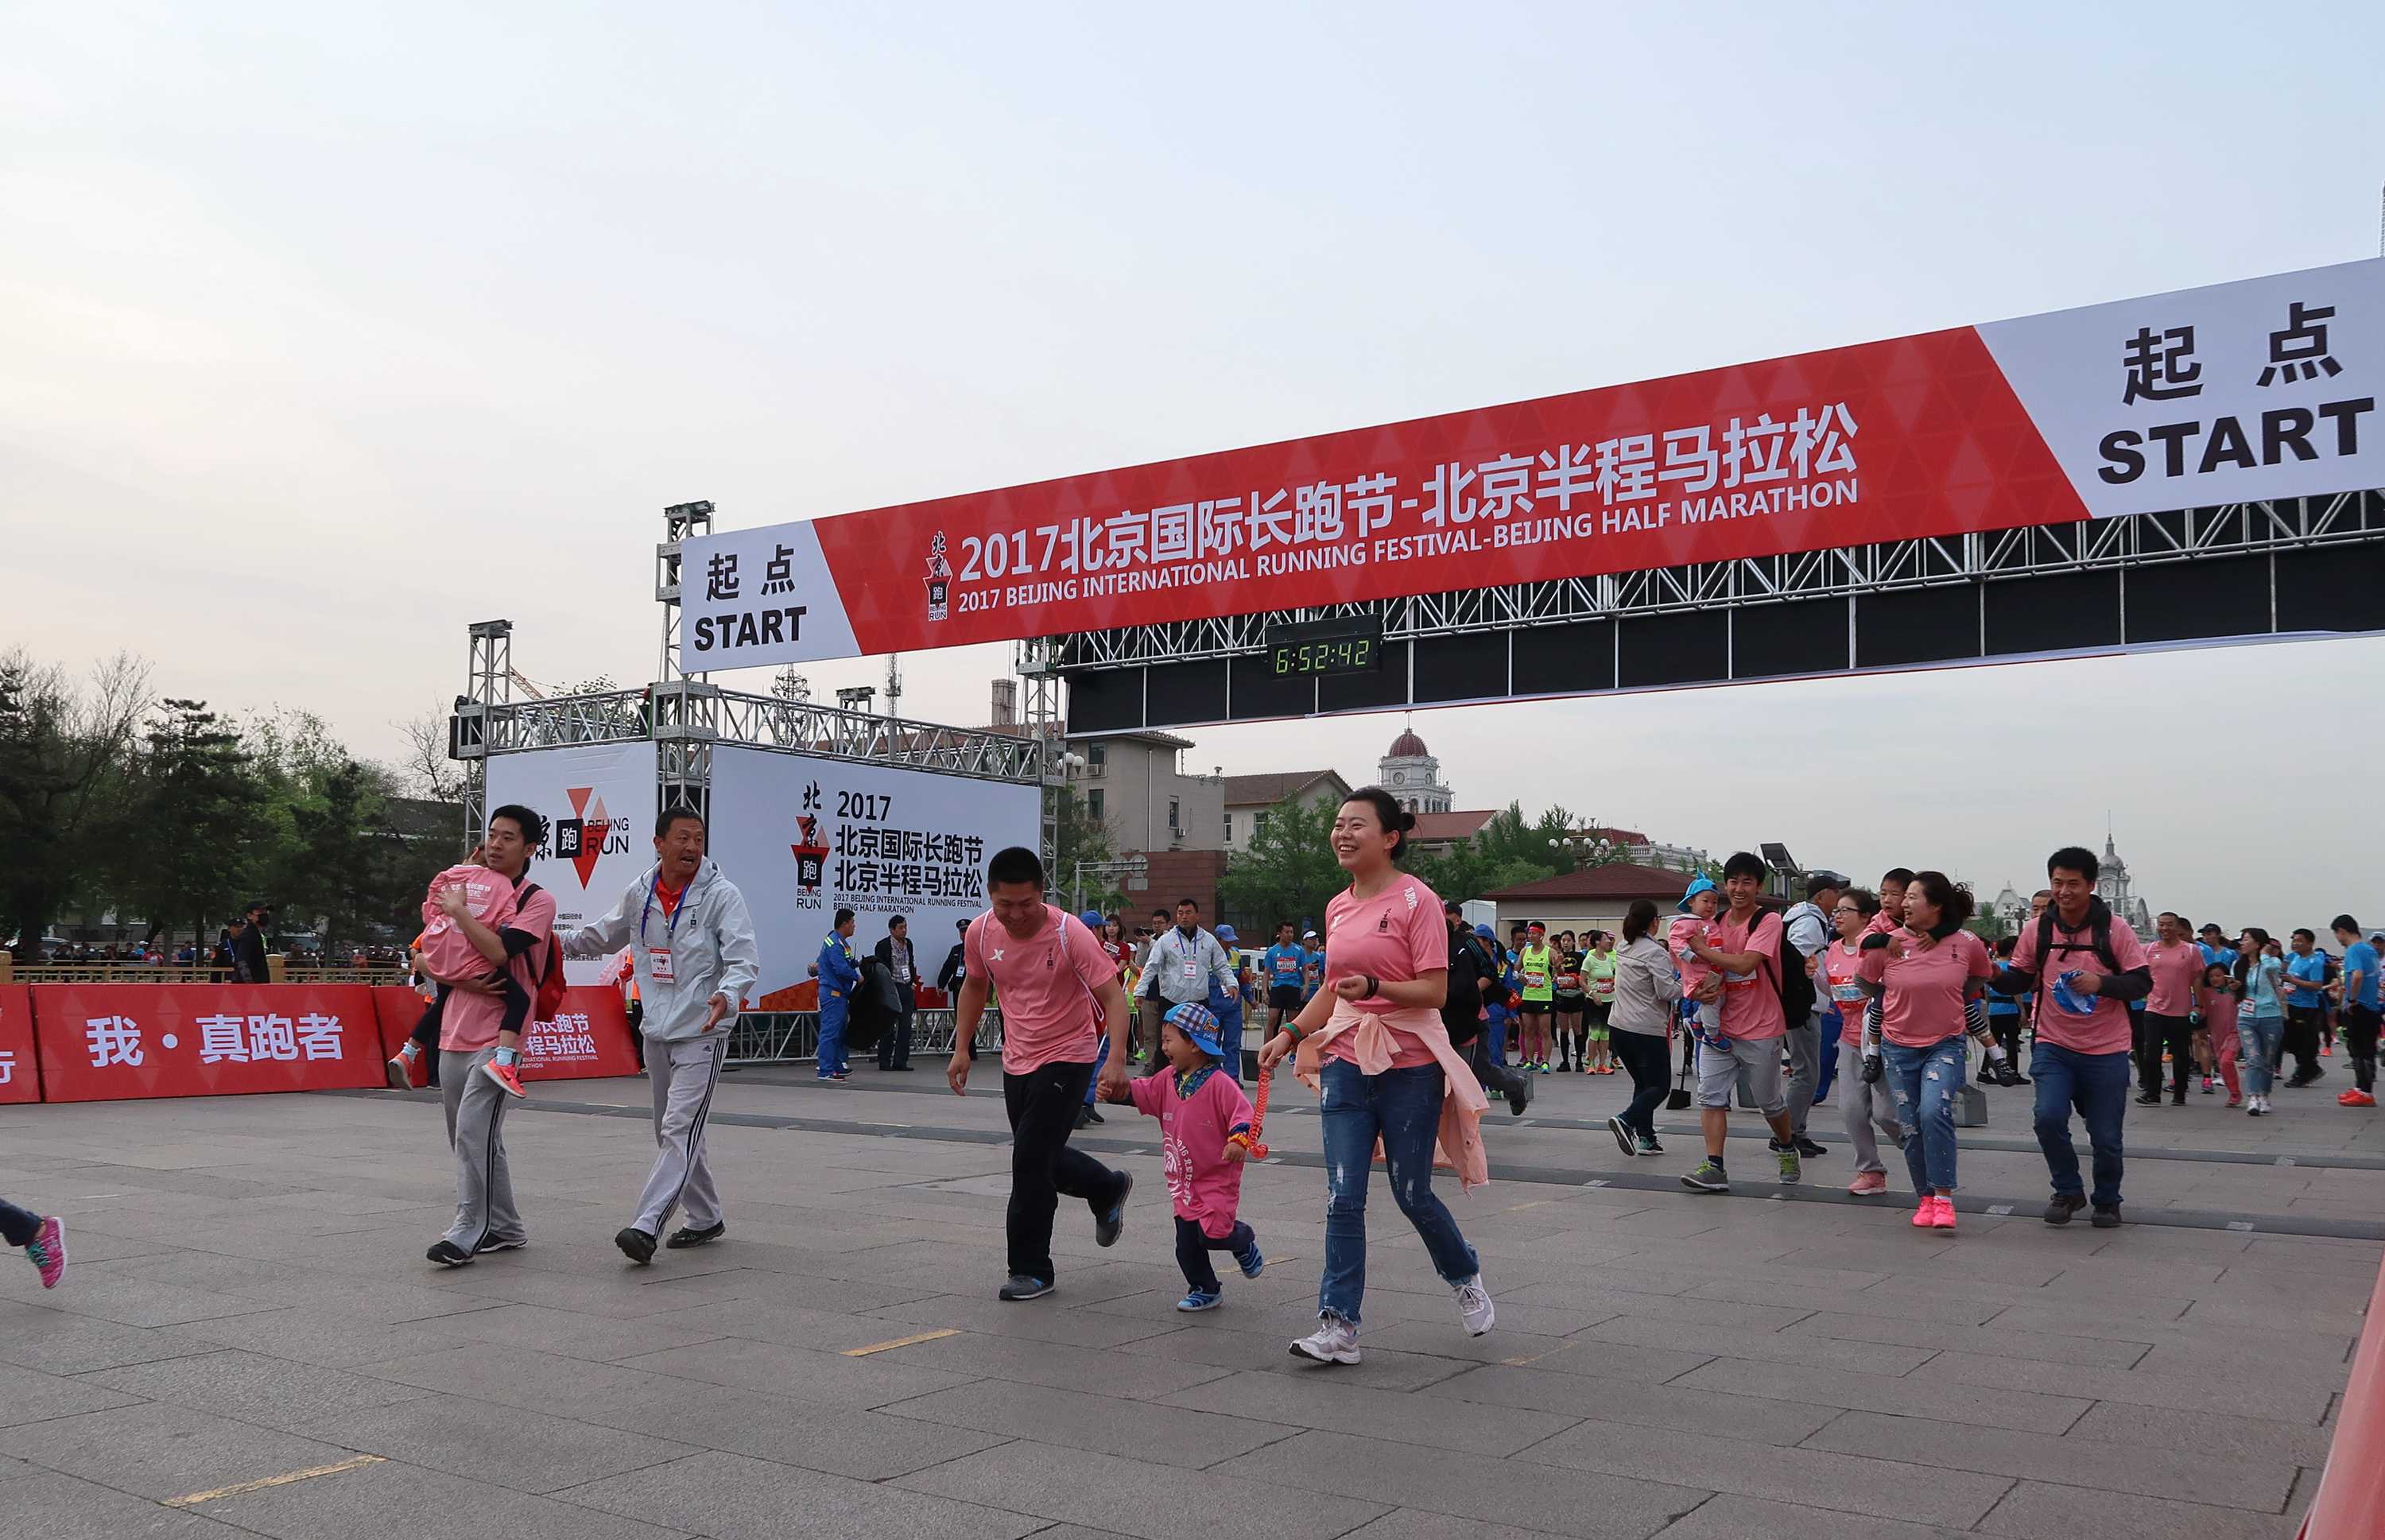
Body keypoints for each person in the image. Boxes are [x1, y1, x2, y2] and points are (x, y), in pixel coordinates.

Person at [1259, 788, 1492, 1365]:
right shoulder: (1337, 907)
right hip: (1344, 1059)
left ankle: (1463, 1272)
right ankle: (1339, 1325)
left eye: (1356, 824)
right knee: (1343, 1195)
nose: (1342, 833)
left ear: (1389, 837)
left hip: (1408, 1065)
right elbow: (1330, 988)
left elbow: (1435, 990)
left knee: (1412, 1193)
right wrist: (1290, 1034)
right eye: (1339, 824)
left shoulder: (1418, 900)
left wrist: (1376, 987)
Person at [558, 805, 761, 1264]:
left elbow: (744, 959)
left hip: (703, 1029)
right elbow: (600, 936)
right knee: (671, 1131)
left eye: (699, 839)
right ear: (659, 843)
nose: (692, 847)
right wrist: (549, 942)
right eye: (683, 838)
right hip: (657, 1029)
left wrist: (728, 994)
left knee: (679, 1128)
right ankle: (706, 1216)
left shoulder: (722, 895)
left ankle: (646, 1225)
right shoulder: (640, 892)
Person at [948, 847, 1134, 1301]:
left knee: (1029, 1160)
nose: (1015, 915)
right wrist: (961, 1049)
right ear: (990, 895)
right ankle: (1107, 1187)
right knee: (1040, 1155)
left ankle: (1031, 1269)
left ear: (1042, 894)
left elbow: (1114, 997)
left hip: (1070, 1055)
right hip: (1018, 1058)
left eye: (1025, 904)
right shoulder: (981, 932)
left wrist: (1116, 1057)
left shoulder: (1070, 933)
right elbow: (975, 986)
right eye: (1004, 905)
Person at [420, 806, 553, 1267]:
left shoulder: (536, 900)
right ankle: (506, 1227)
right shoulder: (463, 884)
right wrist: (461, 978)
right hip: (454, 1028)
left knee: (474, 1134)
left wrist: (459, 910)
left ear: (530, 848)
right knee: (469, 1137)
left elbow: (498, 951)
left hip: (501, 1037)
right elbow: (423, 956)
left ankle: (467, 1229)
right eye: (492, 835)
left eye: (509, 838)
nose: (496, 844)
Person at [1992, 845, 2150, 1228]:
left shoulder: (2115, 929)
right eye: (2057, 882)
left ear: (2092, 885)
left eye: (2073, 884)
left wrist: (2101, 983)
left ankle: (2107, 1200)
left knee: (2106, 1135)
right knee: (2047, 1119)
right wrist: (1991, 974)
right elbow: (2021, 977)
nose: (2064, 891)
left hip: (2106, 1049)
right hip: (2053, 1043)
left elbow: (2141, 982)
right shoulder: (2038, 929)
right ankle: (2067, 1190)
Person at [1103, 1002, 1264, 1312]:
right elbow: (1144, 1092)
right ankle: (1205, 1288)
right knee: (1186, 1245)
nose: (1164, 1047)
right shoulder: (1167, 1079)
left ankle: (1242, 1240)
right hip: (1184, 1181)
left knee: (1215, 1234)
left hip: (1216, 1178)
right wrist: (1117, 1093)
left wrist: (1238, 1140)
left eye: (1169, 1040)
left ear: (1194, 1044)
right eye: (1163, 1040)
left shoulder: (1220, 1084)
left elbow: (1244, 1115)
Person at [1859, 871, 1990, 1231]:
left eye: (1912, 897)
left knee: (1934, 1112)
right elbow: (1865, 981)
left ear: (1936, 906)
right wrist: (1895, 999)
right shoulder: (1888, 944)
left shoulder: (1966, 943)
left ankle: (1944, 1197)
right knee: (1911, 1125)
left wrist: (1948, 996)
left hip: (1945, 1043)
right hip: (1898, 1047)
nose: (1904, 903)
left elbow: (1980, 976)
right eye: (1904, 897)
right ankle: (1926, 1197)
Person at [1678, 856, 1807, 1192]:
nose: (1739, 888)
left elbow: (1746, 963)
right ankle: (1714, 1167)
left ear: (1759, 886)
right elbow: (1697, 966)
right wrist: (1699, 991)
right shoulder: (1714, 921)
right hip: (1719, 1027)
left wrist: (1701, 950)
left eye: (1747, 882)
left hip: (1762, 1027)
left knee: (1769, 1102)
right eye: (1733, 881)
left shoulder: (1768, 921)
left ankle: (1786, 1145)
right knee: (1710, 1097)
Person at [1825, 889, 1902, 1195]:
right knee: (1851, 1109)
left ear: (1866, 917)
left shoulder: (1876, 948)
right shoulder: (1832, 950)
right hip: (1850, 1038)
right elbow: (1831, 990)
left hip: (1882, 1039)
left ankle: (1921, 1149)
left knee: (1886, 1114)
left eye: (1846, 910)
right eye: (1836, 911)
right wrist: (1813, 975)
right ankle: (1870, 1171)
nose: (1838, 916)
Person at [1606, 900, 1681, 1157]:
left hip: (1619, 1027)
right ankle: (1626, 1120)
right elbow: (1666, 991)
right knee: (1660, 1086)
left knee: (1643, 1083)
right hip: (1646, 1029)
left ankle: (1647, 1138)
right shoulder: (1655, 952)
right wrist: (1690, 986)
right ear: (1654, 922)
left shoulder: (1623, 946)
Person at [1442, 905, 1530, 1116]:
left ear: (1457, 920)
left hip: (1470, 1018)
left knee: (1477, 1070)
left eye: (1446, 917)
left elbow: (1490, 973)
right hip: (1440, 1018)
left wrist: (1468, 992)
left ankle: (1514, 1085)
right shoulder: (1426, 941)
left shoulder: (1467, 943)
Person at [1778, 874, 1837, 1158]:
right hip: (1804, 1007)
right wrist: (1805, 992)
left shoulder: (1802, 917)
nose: (1839, 900)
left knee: (1807, 1072)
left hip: (1805, 1004)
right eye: (1836, 893)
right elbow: (1795, 957)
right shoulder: (1810, 922)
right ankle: (1787, 1135)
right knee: (1806, 1073)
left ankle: (1795, 1131)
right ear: (1822, 896)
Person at [1142, 898, 1239, 1066]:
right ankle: (1164, 1081)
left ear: (1197, 915)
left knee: (1199, 1047)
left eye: (1188, 913)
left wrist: (1231, 983)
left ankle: (1199, 1080)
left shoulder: (1208, 940)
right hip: (1171, 1002)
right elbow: (1151, 967)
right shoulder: (1166, 941)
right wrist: (1140, 991)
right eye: (1180, 913)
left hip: (1199, 1003)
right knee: (1166, 1047)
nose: (1184, 917)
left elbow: (1222, 966)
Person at [2139, 912, 2205, 1107]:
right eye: (2161, 924)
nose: (2165, 928)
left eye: (2169, 925)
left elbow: (2197, 979)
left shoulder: (2191, 951)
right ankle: (2152, 1093)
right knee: (2151, 1052)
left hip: (2181, 1010)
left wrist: (2199, 1004)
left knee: (2180, 1054)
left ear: (2178, 928)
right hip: (2154, 1008)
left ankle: (2180, 1093)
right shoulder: (2149, 949)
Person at [2236, 929, 2287, 1115]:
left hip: (2271, 1016)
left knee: (2267, 1060)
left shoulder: (2273, 962)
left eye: (2246, 940)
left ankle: (2264, 1095)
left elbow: (2270, 970)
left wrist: (2265, 954)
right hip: (2246, 1017)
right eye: (2242, 940)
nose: (2242, 943)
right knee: (2253, 1058)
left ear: (2258, 943)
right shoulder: (2238, 965)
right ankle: (2253, 1097)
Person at [2331, 916, 2379, 1106]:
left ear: (2342, 931)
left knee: (2359, 1050)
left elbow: (2357, 975)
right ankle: (2361, 1088)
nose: (2337, 939)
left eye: (2336, 934)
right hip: (2371, 1006)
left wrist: (2352, 1000)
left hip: (2359, 1007)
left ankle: (2365, 1092)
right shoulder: (2369, 949)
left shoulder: (2353, 950)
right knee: (2365, 1049)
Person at [812, 909, 861, 1082]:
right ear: (844, 923)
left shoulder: (841, 943)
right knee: (830, 1032)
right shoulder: (834, 944)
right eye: (852, 922)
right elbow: (840, 968)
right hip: (833, 993)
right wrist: (858, 977)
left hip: (839, 994)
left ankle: (836, 1065)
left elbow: (846, 962)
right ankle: (825, 1070)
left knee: (839, 1032)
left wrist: (858, 963)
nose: (854, 926)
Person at [2281, 929, 2330, 1088]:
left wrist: (2293, 981)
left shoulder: (2315, 962)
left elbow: (2317, 985)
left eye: (2299, 941)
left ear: (2310, 943)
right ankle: (2309, 1068)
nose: (2295, 944)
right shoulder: (2294, 957)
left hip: (2306, 1007)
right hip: (2291, 1003)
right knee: (2290, 1040)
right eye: (2294, 940)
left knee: (2304, 1041)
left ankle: (2305, 1071)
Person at [873, 915, 919, 1073]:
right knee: (888, 1026)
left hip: (906, 987)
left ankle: (901, 1061)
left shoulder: (908, 944)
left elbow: (910, 963)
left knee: (905, 1026)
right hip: (891, 989)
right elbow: (880, 969)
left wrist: (912, 982)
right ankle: (884, 1060)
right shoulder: (883, 945)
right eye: (900, 927)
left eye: (905, 927)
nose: (904, 930)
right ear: (892, 930)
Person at [2201, 960, 2243, 1108]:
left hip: (2235, 1033)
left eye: (2218, 975)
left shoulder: (2235, 992)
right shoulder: (2206, 993)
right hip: (2216, 1036)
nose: (2214, 979)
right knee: (2223, 1065)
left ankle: (2235, 1094)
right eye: (2211, 976)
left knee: (2227, 1061)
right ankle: (2234, 1093)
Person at [1514, 922, 1554, 1073]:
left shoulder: (1550, 952)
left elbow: (1560, 972)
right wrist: (1520, 977)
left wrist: (1558, 966)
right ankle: (1529, 1060)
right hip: (1528, 996)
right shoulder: (1525, 951)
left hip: (1544, 997)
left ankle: (1545, 1061)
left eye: (1534, 934)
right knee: (1528, 1030)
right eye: (1529, 934)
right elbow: (1516, 970)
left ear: (1542, 935)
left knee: (1545, 1031)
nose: (1531, 936)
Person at [1262, 921, 1308, 1035]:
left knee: (1292, 1023)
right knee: (1272, 1019)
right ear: (1280, 933)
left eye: (1291, 932)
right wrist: (1264, 992)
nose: (1290, 935)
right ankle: (1268, 1045)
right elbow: (1266, 973)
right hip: (1278, 987)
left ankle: (1292, 1046)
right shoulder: (1272, 951)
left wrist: (1306, 986)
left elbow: (1305, 970)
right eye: (1287, 932)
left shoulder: (1299, 950)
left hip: (1294, 987)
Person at [1584, 930, 1619, 1075]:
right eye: (1606, 939)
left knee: (1605, 1033)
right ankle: (1591, 1063)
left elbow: (1613, 976)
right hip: (1594, 1001)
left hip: (1609, 1000)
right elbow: (1582, 981)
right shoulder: (1590, 960)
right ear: (1597, 942)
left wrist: (1614, 983)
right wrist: (1592, 994)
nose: (1609, 941)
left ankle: (1602, 1064)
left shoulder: (1610, 960)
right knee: (1595, 1032)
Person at [1551, 931, 1585, 1073]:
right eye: (1563, 940)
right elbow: (1555, 974)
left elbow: (1584, 975)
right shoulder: (1556, 956)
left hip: (1576, 995)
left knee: (1577, 1029)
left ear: (1573, 942)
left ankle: (1579, 1061)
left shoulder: (1580, 957)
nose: (1566, 943)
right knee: (1564, 1030)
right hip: (1562, 995)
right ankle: (1565, 1061)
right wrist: (1557, 967)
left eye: (1569, 940)